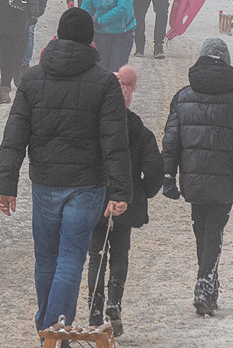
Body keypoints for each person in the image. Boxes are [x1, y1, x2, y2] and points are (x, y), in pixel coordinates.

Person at [0, 7, 132, 334]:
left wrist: (5, 184)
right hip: (87, 184)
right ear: (91, 40)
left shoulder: (32, 79)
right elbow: (115, 141)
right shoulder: (104, 82)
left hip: (45, 181)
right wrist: (121, 191)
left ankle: (50, 331)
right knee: (71, 258)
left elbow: (14, 135)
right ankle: (54, 332)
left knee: (46, 259)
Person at [161, 38, 233, 317]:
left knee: (201, 227)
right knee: (215, 230)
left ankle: (207, 283)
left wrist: (168, 176)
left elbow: (171, 141)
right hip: (225, 176)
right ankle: (205, 282)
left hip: (193, 176)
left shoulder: (182, 97)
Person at [87, 65, 164, 337]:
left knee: (96, 253)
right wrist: (140, 191)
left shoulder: (94, 126)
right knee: (120, 253)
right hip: (125, 200)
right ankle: (114, 301)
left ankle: (94, 307)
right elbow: (156, 169)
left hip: (96, 197)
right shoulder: (139, 129)